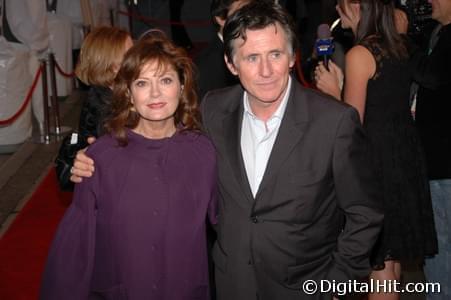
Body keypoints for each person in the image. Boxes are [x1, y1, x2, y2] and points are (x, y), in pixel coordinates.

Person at [71, 2, 384, 299]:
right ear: (231, 64)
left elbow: (365, 213)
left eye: (275, 54)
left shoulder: (334, 122)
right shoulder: (213, 110)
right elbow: (164, 148)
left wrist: (336, 285)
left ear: (292, 58)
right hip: (232, 285)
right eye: (251, 58)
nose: (265, 71)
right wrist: (94, 157)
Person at [40, 37, 218, 299]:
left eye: (165, 80)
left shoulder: (203, 152)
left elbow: (227, 226)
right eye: (142, 83)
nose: (155, 93)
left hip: (185, 287)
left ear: (181, 87)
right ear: (129, 94)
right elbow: (76, 245)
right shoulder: (101, 157)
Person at [315, 1, 438, 299]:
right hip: (404, 160)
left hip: (378, 167)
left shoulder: (361, 54)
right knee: (390, 269)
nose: (337, 7)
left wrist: (334, 91)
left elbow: (352, 126)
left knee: (380, 270)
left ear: (357, 7)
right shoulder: (397, 46)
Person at [55, 26, 133, 190]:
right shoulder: (104, 109)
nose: (138, 58)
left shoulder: (115, 94)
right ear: (112, 65)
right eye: (130, 54)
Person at [413, 0, 451, 298]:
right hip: (437, 160)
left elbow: (432, 76)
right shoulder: (436, 32)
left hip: (444, 162)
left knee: (439, 245)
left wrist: (401, 41)